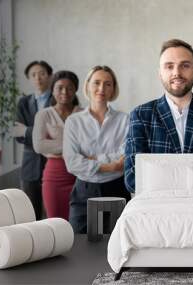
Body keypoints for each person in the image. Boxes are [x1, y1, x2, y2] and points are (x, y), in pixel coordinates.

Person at [124, 39, 193, 193]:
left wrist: (163, 172)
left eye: (185, 65)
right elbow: (133, 178)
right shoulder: (142, 115)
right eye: (169, 66)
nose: (177, 72)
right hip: (159, 210)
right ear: (160, 72)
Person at [63, 65, 131, 233]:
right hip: (84, 190)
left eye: (108, 84)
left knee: (114, 244)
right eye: (97, 83)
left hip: (116, 188)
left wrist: (92, 160)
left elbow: (125, 156)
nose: (101, 88)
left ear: (113, 89)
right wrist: (111, 165)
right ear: (87, 86)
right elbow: (72, 163)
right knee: (79, 244)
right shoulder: (74, 121)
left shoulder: (125, 119)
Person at [33, 70, 82, 220]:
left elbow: (90, 145)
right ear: (52, 90)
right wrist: (73, 146)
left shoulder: (83, 114)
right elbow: (39, 145)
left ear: (75, 90)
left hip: (80, 174)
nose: (64, 92)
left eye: (70, 88)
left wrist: (55, 145)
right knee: (55, 223)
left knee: (78, 223)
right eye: (59, 87)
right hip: (55, 175)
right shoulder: (44, 114)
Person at [14, 60, 53, 220]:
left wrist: (27, 131)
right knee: (32, 214)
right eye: (33, 75)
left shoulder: (59, 98)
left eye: (42, 73)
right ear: (29, 78)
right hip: (30, 165)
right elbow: (18, 134)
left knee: (53, 214)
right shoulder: (23, 102)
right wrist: (42, 135)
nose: (38, 78)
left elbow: (61, 134)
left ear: (50, 76)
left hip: (54, 163)